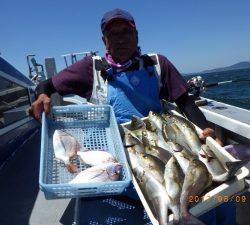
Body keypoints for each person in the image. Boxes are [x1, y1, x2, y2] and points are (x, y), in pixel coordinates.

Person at [29, 8, 234, 225]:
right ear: (104, 40)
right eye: (113, 34)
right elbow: (47, 84)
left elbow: (184, 101)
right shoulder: (91, 69)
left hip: (155, 142)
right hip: (112, 151)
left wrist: (205, 130)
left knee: (220, 199)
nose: (120, 39)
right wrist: (42, 94)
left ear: (136, 35)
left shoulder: (157, 64)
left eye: (126, 31)